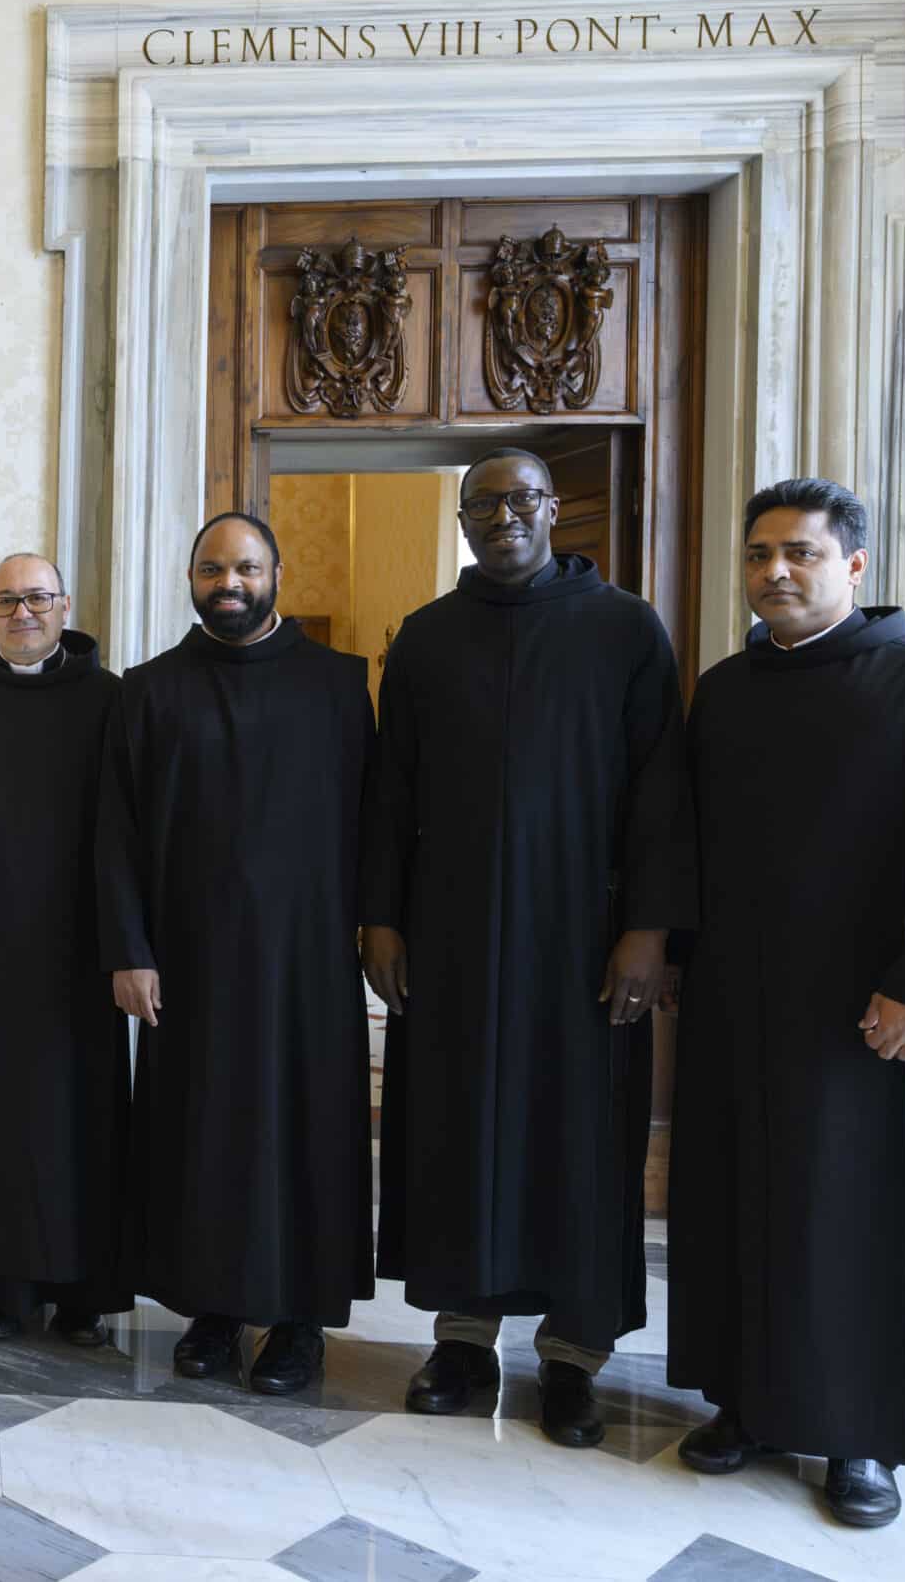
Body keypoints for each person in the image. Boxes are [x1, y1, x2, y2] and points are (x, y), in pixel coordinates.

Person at [669, 479, 905, 1528]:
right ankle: (747, 1403)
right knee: (742, 1205)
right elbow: (690, 843)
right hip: (741, 1007)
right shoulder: (724, 693)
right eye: (759, 554)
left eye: (801, 554)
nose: (775, 571)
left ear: (854, 568)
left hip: (877, 1020)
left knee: (859, 1224)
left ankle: (862, 1437)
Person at [361, 446, 692, 1449]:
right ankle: (463, 1343)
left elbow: (661, 793)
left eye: (520, 499)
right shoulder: (425, 638)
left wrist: (647, 931)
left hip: (582, 944)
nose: (501, 516)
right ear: (463, 519)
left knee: (579, 1139)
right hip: (453, 938)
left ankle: (572, 1359)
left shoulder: (625, 630)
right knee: (458, 1130)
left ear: (554, 510)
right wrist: (379, 916)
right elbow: (391, 791)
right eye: (482, 503)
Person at [100, 514, 374, 1392]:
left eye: (246, 566)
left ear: (276, 573)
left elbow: (371, 821)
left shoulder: (338, 684)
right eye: (213, 567)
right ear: (190, 577)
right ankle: (209, 1310)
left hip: (307, 962)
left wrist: (379, 927)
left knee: (302, 1134)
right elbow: (118, 835)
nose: (230, 581)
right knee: (203, 1134)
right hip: (188, 960)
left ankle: (298, 1323)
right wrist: (129, 949)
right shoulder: (148, 690)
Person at [0, 553, 130, 1347]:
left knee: (80, 1117)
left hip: (80, 942)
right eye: (7, 600)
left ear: (65, 604)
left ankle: (82, 1293)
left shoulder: (111, 698)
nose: (23, 612)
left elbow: (127, 820)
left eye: (38, 597)